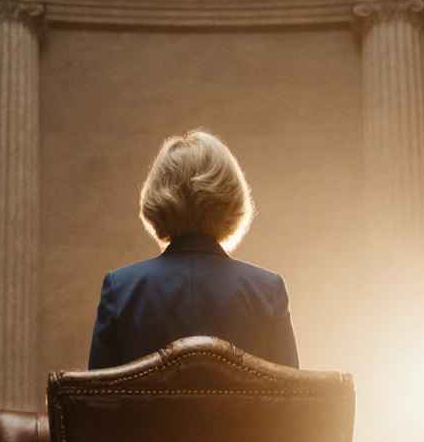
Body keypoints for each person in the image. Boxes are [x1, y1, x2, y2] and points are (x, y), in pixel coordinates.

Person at [88, 130, 299, 369]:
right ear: (231, 196)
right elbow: (293, 403)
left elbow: (94, 401)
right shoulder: (268, 292)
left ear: (157, 195)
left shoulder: (121, 290)